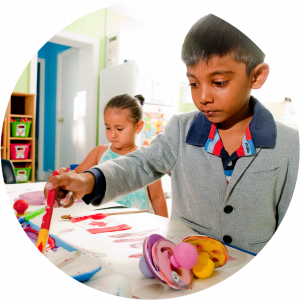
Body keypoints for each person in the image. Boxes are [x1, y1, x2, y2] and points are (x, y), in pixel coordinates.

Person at [45, 13, 300, 255]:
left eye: (219, 82)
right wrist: (89, 180)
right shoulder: (181, 129)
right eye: (193, 83)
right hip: (183, 264)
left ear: (256, 76)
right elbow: (140, 164)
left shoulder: (290, 145)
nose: (203, 97)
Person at [47, 94, 168, 218]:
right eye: (108, 128)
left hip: (138, 223)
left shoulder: (146, 158)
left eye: (119, 129)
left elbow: (157, 197)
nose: (112, 135)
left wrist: (165, 228)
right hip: (104, 222)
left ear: (138, 126)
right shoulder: (99, 152)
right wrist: (65, 178)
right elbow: (78, 173)